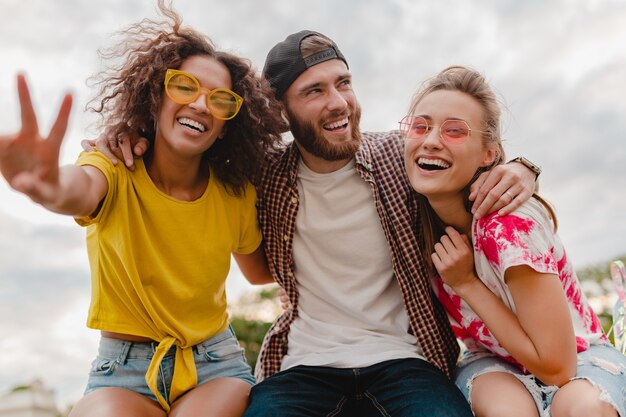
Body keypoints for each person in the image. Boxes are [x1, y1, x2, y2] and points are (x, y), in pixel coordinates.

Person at [88, 31, 538, 416]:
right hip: (304, 365)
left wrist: (524, 168)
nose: (338, 102)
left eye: (343, 83)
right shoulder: (261, 175)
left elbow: (466, 154)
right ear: (282, 112)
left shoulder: (399, 156)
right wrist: (132, 133)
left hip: (406, 359)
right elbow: (193, 146)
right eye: (314, 91)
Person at [0, 3, 286, 417]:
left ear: (228, 125)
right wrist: (48, 188)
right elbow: (77, 191)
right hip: (122, 371)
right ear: (155, 96)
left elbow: (259, 271)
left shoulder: (233, 196)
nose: (202, 105)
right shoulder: (114, 165)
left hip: (215, 364)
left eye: (222, 100)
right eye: (184, 87)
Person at [401, 65, 626, 417]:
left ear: (488, 154)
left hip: (580, 357)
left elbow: (559, 368)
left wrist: (466, 283)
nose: (431, 140)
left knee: (582, 408)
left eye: (455, 131)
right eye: (420, 126)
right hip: (493, 363)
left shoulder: (507, 223)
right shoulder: (405, 215)